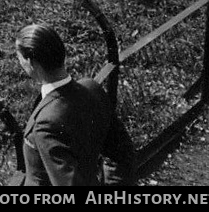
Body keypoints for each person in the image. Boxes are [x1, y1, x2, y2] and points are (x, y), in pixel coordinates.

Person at [15, 23, 135, 186]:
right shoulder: (92, 89)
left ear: (31, 62)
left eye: (19, 58)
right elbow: (122, 153)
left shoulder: (45, 125)